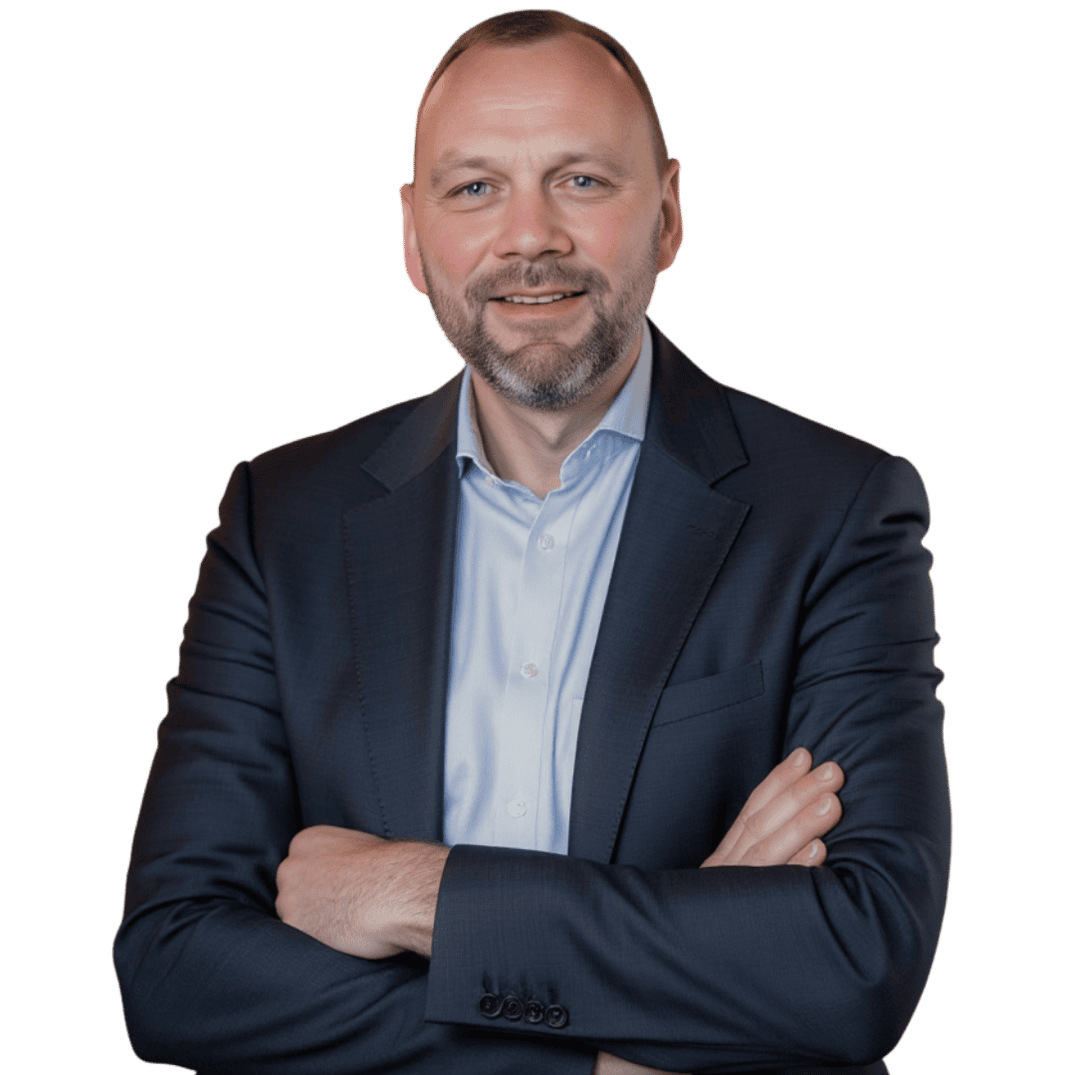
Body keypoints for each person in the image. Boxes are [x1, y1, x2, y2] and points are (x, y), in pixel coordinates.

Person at [113, 9, 950, 1075]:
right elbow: (176, 969)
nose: (528, 237)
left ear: (668, 217)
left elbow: (858, 960)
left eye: (581, 181)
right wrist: (618, 1025)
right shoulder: (278, 519)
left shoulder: (837, 507)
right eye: (475, 188)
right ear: (413, 237)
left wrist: (414, 891)